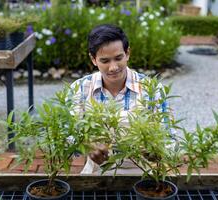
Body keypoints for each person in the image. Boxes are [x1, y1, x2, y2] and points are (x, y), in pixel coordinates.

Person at [70, 24, 168, 174]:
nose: (113, 67)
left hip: (144, 174)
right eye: (105, 61)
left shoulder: (152, 89)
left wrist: (156, 150)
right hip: (97, 173)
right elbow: (70, 136)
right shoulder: (81, 88)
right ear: (93, 59)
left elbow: (168, 138)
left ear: (127, 53)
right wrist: (87, 147)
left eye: (118, 58)